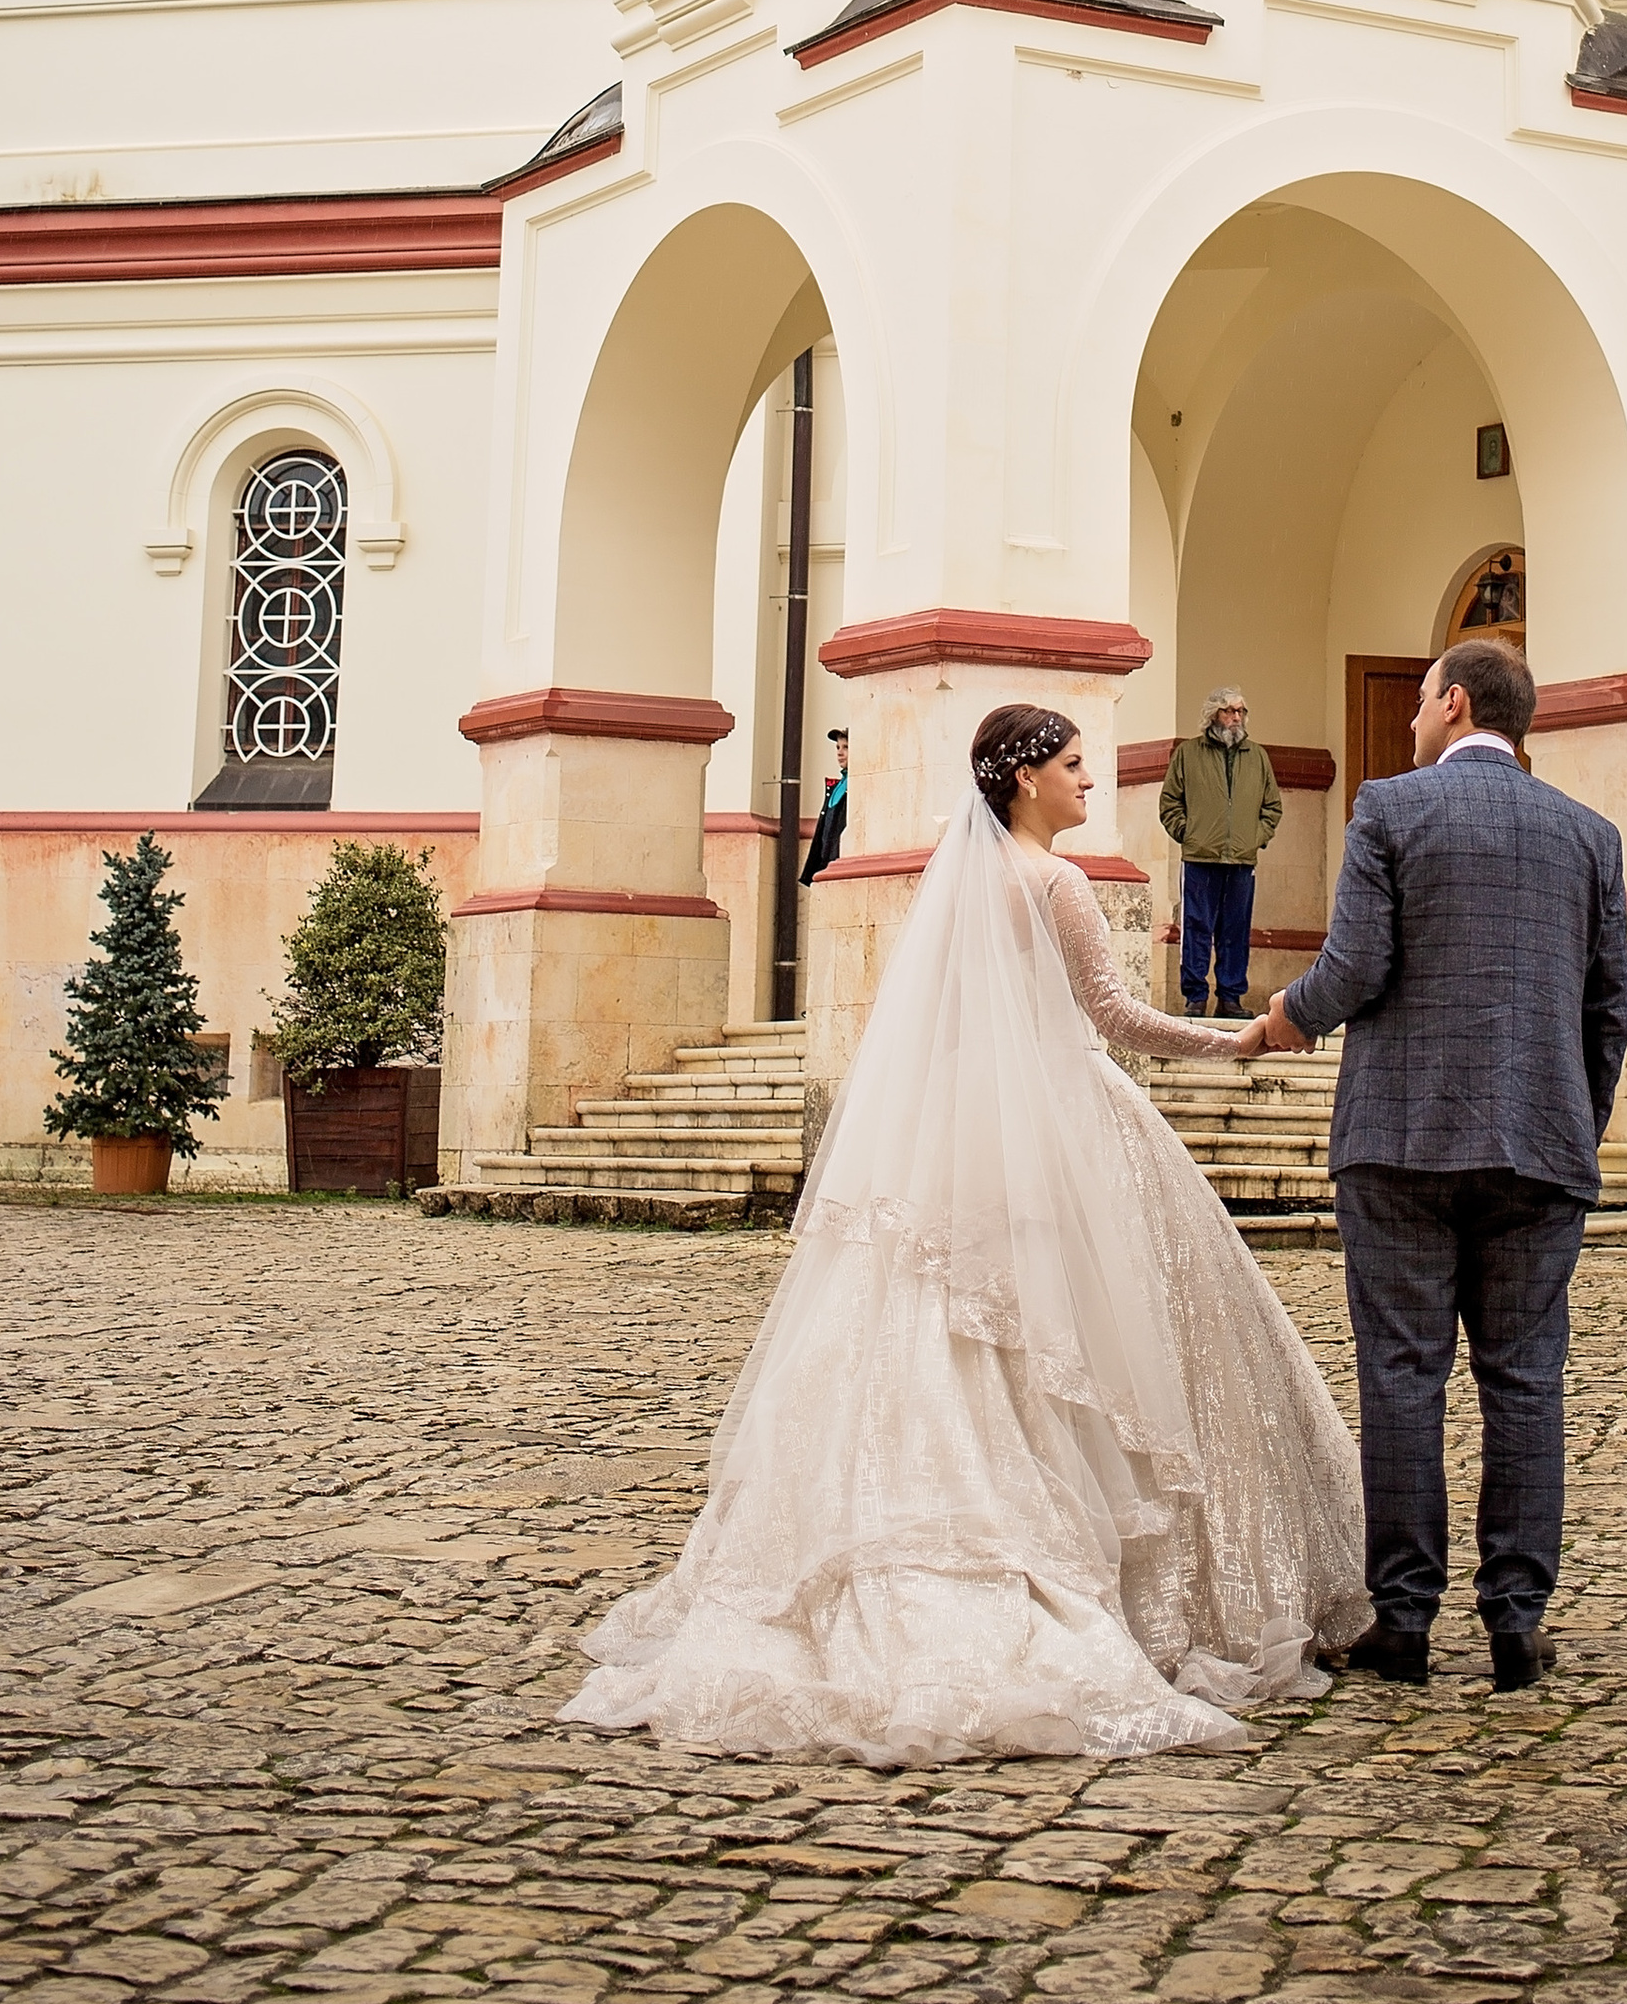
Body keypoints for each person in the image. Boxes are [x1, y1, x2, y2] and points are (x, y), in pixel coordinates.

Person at [564, 703, 1369, 1764]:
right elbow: (1113, 1017)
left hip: (958, 1132)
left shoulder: (959, 880)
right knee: (1081, 1329)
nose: (1092, 782)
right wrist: (1239, 1043)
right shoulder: (1054, 882)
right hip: (1058, 1125)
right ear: (1027, 776)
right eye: (1077, 766)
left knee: (947, 1319)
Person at [1240, 639, 1627, 1696]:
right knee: (1525, 1383)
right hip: (1538, 1152)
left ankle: (1402, 1621)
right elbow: (1609, 1011)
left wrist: (1287, 1018)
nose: (1412, 721)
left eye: (1419, 704)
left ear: (1453, 705)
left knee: (1402, 1379)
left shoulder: (1391, 808)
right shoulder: (1590, 836)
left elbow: (1357, 966)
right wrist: (1570, 1129)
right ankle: (1516, 1622)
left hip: (1401, 1144)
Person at [1160, 687, 1282, 1021]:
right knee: (1196, 927)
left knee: (1236, 931)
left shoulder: (1257, 756)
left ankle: (1230, 998)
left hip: (1242, 861)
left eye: (1241, 711)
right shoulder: (1188, 753)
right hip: (1199, 858)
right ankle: (1195, 997)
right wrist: (1188, 834)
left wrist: (1255, 838)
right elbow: (1169, 801)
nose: (1236, 718)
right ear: (1214, 714)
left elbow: (1272, 806)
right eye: (1229, 711)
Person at [800, 727, 849, 886]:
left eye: (846, 747)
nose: (840, 753)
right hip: (825, 863)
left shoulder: (856, 784)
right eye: (838, 747)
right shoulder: (836, 787)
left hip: (841, 863)